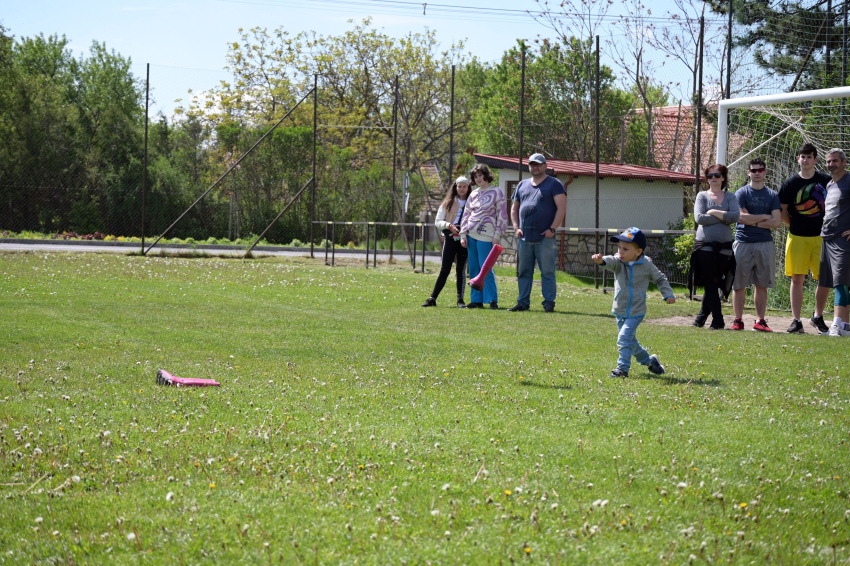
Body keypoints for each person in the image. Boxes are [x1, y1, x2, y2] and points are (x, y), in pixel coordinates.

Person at [592, 227, 676, 378]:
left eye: (625, 249)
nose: (620, 252)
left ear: (638, 252)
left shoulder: (647, 265)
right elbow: (610, 260)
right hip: (620, 309)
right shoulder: (619, 262)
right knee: (631, 342)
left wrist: (668, 293)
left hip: (636, 311)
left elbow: (660, 278)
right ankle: (651, 362)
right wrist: (601, 260)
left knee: (624, 338)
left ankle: (622, 369)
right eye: (619, 247)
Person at [778, 143, 832, 333]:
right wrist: (792, 224)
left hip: (822, 237)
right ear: (798, 159)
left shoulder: (826, 180)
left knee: (824, 279)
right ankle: (796, 320)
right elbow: (782, 210)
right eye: (803, 156)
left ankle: (817, 316)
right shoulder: (790, 183)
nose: (806, 160)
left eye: (809, 157)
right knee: (797, 279)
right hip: (797, 236)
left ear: (816, 160)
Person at [507, 153, 566, 313]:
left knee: (547, 271)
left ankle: (548, 303)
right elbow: (514, 208)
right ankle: (523, 302)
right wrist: (516, 227)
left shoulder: (555, 184)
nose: (536, 167)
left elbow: (561, 208)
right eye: (532, 164)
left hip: (545, 238)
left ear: (545, 166)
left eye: (539, 164)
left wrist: (552, 229)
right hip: (524, 238)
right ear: (529, 166)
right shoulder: (521, 185)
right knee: (524, 272)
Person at [730, 158, 781, 331]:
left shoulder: (772, 195)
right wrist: (765, 216)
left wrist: (754, 221)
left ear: (765, 172)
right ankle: (738, 320)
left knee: (762, 284)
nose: (757, 173)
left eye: (760, 170)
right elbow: (741, 217)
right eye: (753, 170)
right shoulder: (741, 193)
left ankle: (760, 321)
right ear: (748, 172)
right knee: (739, 284)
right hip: (743, 242)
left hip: (764, 244)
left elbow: (776, 223)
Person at [691, 164, 740, 330]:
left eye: (717, 175)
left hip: (725, 248)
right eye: (710, 175)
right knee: (710, 282)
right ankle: (718, 320)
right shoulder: (702, 196)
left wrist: (712, 212)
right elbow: (699, 218)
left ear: (723, 178)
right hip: (704, 246)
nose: (713, 178)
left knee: (714, 282)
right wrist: (723, 217)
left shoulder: (730, 197)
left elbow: (735, 216)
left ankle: (700, 319)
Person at [460, 164, 508, 309]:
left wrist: (497, 234)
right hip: (471, 236)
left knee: (486, 269)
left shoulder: (496, 192)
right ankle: (476, 300)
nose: (478, 179)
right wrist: (463, 234)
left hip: (487, 236)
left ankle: (492, 299)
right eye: (475, 177)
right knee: (474, 268)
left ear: (486, 175)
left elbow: (502, 215)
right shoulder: (473, 194)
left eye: (480, 175)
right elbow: (466, 214)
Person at [422, 177, 471, 308]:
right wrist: (449, 226)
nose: (461, 189)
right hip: (450, 239)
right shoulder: (448, 202)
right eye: (459, 186)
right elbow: (438, 221)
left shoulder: (472, 201)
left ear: (468, 187)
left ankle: (460, 300)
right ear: (455, 187)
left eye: (464, 186)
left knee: (461, 269)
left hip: (464, 239)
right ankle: (432, 298)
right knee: (445, 269)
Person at [818, 149, 850, 336]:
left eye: (835, 161)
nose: (831, 165)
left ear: (844, 162)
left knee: (841, 282)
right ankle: (845, 327)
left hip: (842, 239)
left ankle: (836, 325)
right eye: (829, 161)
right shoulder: (829, 184)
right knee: (832, 281)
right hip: (827, 238)